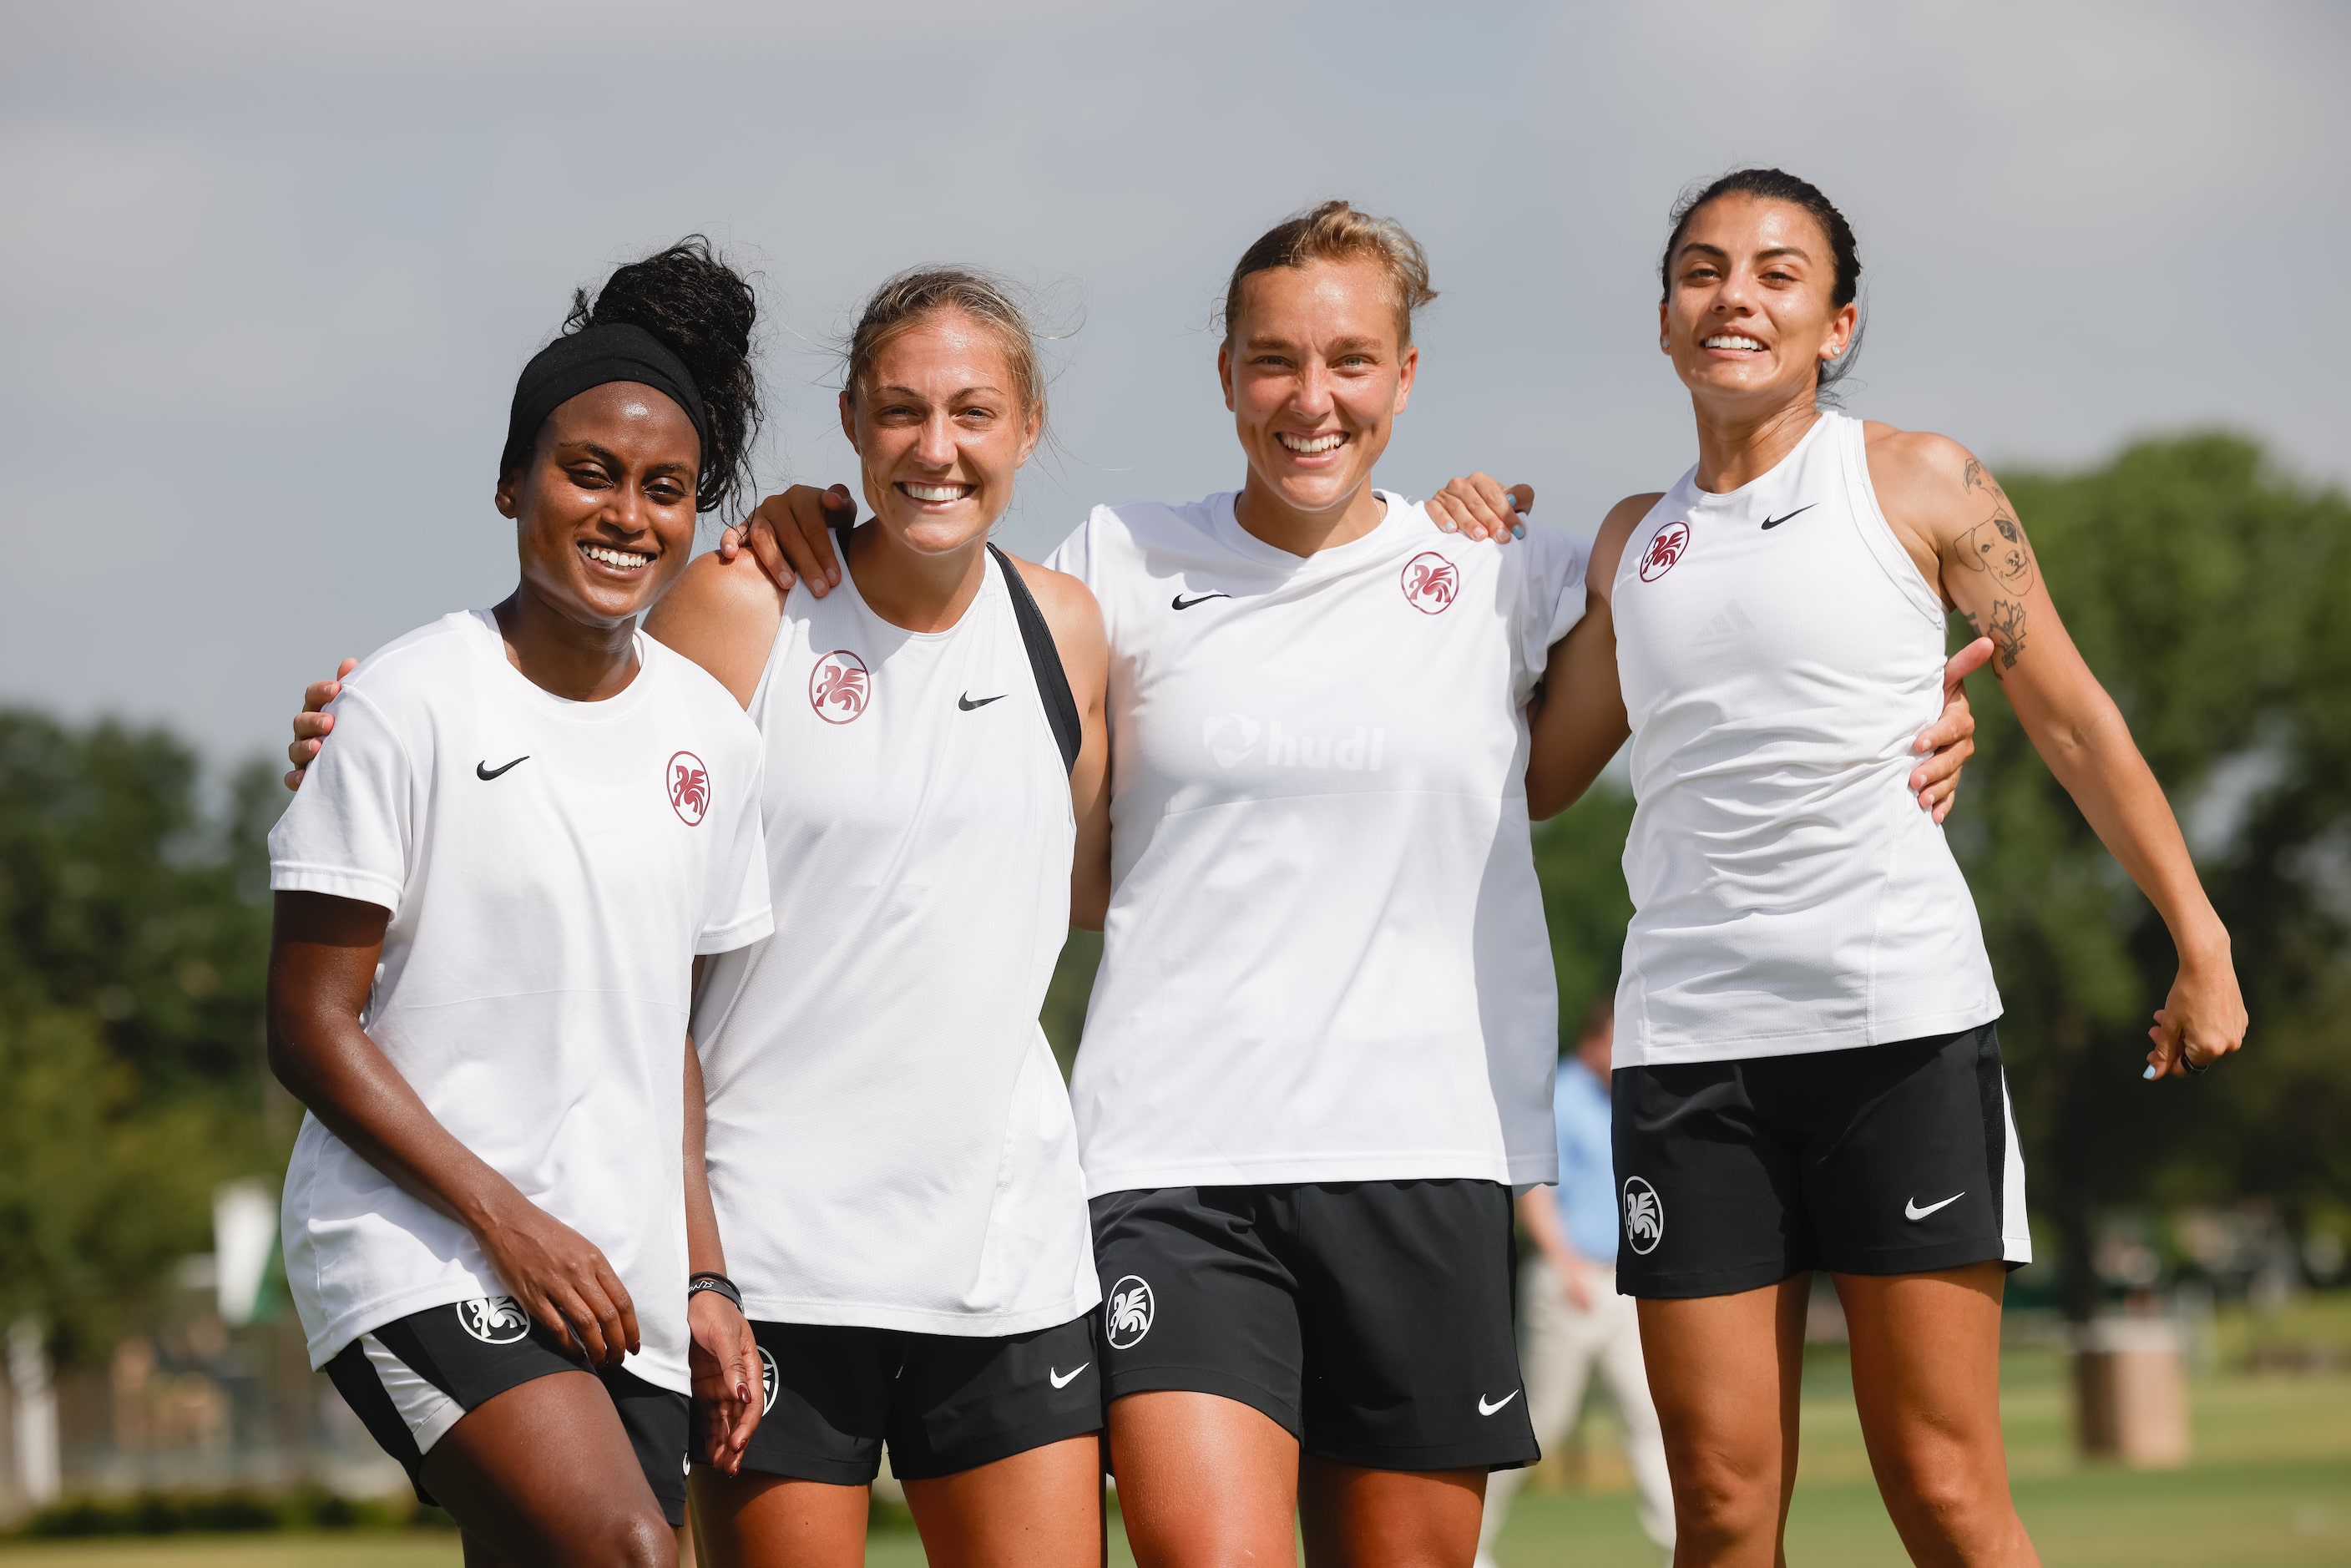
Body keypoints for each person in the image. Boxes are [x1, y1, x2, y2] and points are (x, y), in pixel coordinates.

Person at [719, 200, 1981, 1568]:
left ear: (1404, 378)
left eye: (1349, 361)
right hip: (1170, 1169)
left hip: (1424, 1161)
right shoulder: (1114, 569)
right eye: (1273, 361)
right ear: (1225, 376)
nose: (1309, 398)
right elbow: (932, 588)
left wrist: (1911, 719)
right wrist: (810, 525)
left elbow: (1723, 650)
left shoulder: (1506, 567)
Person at [1438, 168, 2248, 1566]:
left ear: (1837, 323)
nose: (1734, 295)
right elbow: (1535, 775)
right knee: (1724, 1510)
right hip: (1690, 1059)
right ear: (1663, 318)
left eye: (1776, 271)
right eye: (1702, 269)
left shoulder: (1920, 478)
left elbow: (2067, 710)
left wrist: (2199, 931)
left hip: (1899, 1037)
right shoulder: (1635, 541)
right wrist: (1449, 572)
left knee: (1941, 1491)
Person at [287, 267, 1114, 1568]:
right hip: (763, 1246)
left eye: (973, 410)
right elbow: (568, 698)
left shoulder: (1071, 631)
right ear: (848, 418)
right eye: (901, 409)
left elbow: (1086, 886)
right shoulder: (741, 602)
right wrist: (368, 741)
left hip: (995, 1248)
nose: (936, 445)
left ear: (1029, 424)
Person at [265, 240, 772, 1567]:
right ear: (513, 482)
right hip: (424, 1247)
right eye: (588, 472)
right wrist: (508, 1221)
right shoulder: (407, 699)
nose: (625, 514)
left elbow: (668, 1040)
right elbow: (310, 1026)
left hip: (620, 1284)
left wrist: (705, 1277)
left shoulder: (711, 740)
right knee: (631, 1552)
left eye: (665, 489)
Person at [1474, 999, 1671, 1567]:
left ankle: (1682, 1546)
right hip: (1570, 1284)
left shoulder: (1623, 1102)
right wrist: (1563, 1265)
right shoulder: (1559, 1092)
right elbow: (1535, 1189)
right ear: (1593, 1039)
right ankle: (1469, 1542)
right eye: (1616, 1039)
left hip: (1623, 1286)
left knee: (1649, 1413)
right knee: (1542, 1422)